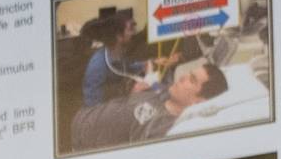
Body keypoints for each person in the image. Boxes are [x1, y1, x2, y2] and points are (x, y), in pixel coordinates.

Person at [69, 56, 229, 151]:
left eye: (192, 80)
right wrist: (136, 92)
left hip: (80, 142)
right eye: (189, 73)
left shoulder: (164, 127)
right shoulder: (167, 91)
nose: (182, 77)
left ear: (198, 101)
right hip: (85, 114)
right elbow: (153, 88)